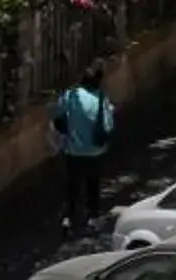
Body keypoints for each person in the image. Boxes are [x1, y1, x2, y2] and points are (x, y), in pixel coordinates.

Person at [56, 61, 116, 233]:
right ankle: (93, 218)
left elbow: (58, 118)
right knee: (93, 185)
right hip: (95, 152)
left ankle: (69, 218)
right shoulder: (101, 99)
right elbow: (108, 126)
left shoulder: (70, 96)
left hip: (72, 151)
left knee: (72, 185)